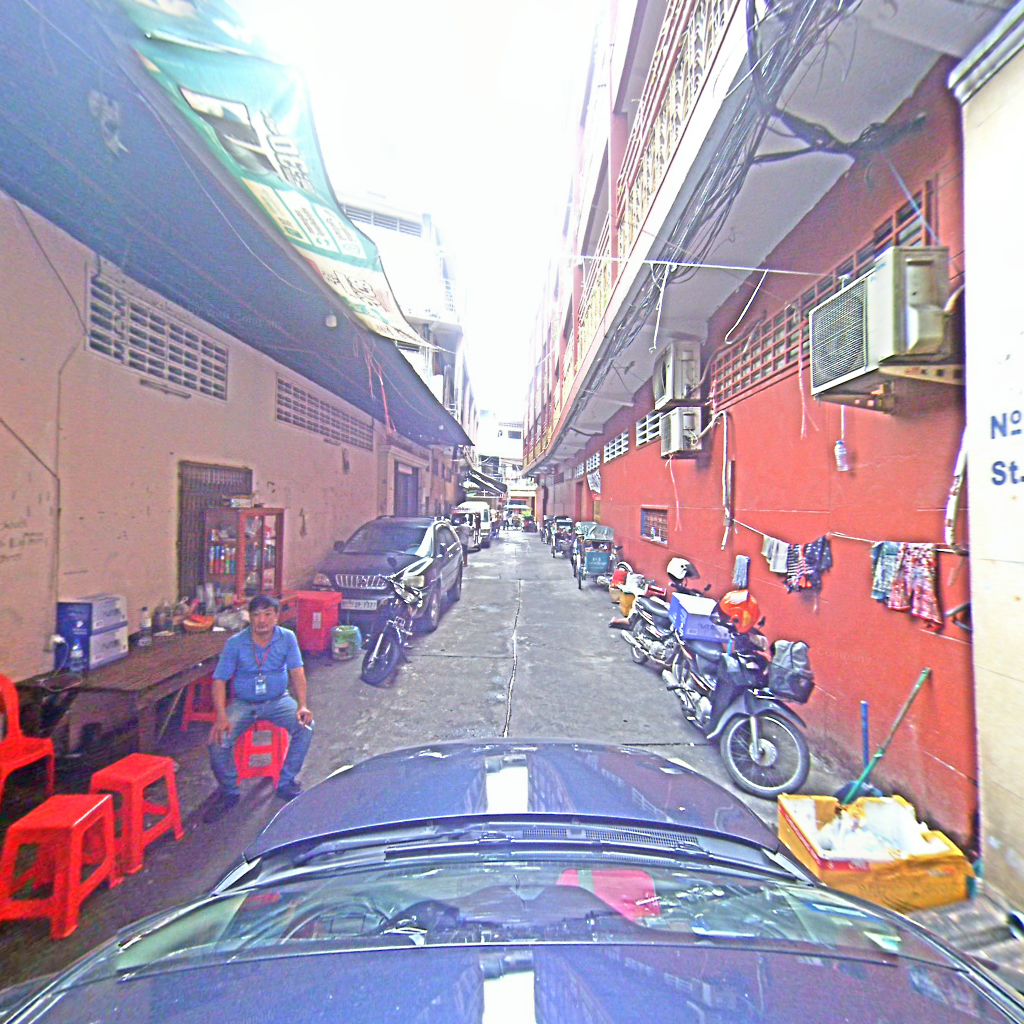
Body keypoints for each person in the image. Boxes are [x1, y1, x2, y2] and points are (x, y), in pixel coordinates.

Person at [204, 594, 314, 819]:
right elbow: (219, 680)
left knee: (306, 727)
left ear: (276, 616)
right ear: (249, 617)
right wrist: (221, 716)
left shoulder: (287, 638)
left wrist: (303, 705)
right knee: (217, 741)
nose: (262, 620)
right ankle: (229, 790)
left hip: (278, 700)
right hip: (244, 703)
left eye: (267, 614)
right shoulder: (235, 643)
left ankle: (286, 781)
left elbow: (297, 672)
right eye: (256, 615)